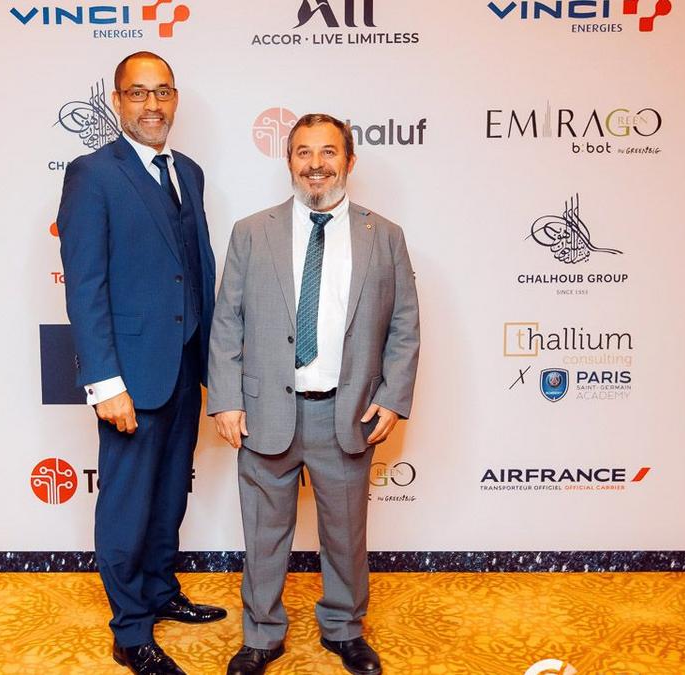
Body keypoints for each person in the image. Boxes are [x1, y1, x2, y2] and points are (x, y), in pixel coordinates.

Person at [207, 113, 420, 675]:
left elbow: (404, 324)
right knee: (264, 534)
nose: (316, 164)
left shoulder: (385, 236)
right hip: (266, 412)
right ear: (289, 162)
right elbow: (227, 322)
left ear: (349, 161)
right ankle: (261, 635)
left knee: (345, 535)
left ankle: (345, 629)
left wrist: (393, 396)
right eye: (303, 152)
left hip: (346, 414)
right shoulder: (252, 232)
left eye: (328, 152)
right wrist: (226, 399)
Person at [57, 51, 225, 675]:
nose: (152, 104)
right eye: (137, 93)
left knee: (169, 492)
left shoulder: (189, 172)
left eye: (162, 92)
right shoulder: (93, 174)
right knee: (127, 503)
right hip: (130, 374)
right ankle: (130, 631)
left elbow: (194, 268)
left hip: (183, 365)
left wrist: (213, 365)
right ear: (117, 101)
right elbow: (85, 286)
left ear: (175, 99)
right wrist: (106, 382)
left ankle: (159, 592)